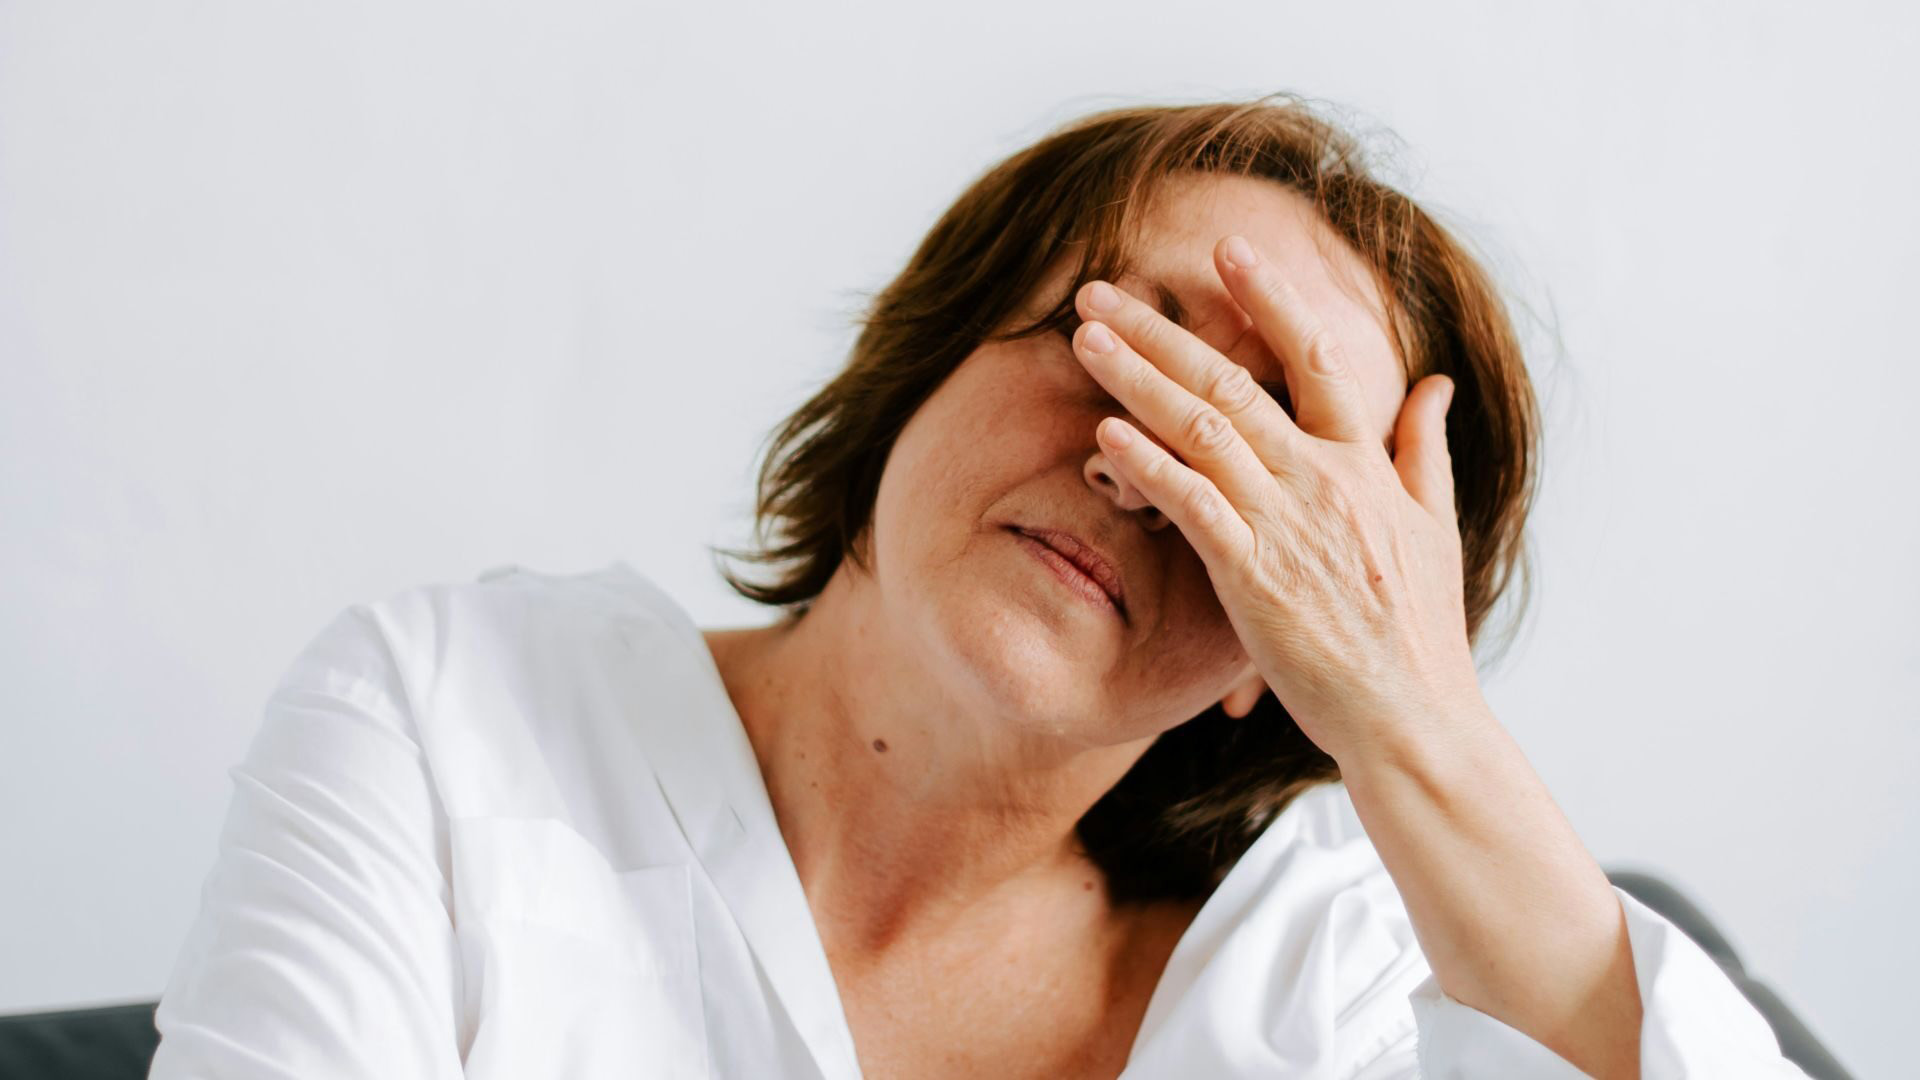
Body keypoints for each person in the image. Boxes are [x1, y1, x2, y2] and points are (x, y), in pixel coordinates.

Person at [148, 95, 1809, 1079]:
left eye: (1265, 468)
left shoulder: (1344, 983)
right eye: (1122, 346)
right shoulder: (446, 720)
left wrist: (1418, 718)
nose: (1140, 471)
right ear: (927, 356)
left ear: (1302, 643)